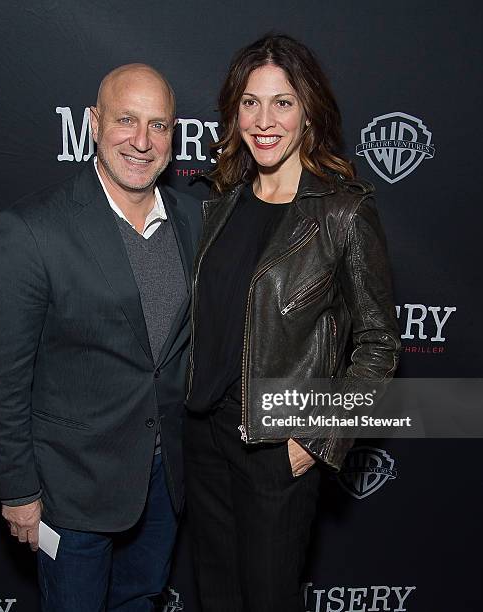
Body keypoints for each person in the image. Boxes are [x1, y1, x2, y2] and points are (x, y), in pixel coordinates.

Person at [184, 34, 401, 612]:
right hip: (204, 436)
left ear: (308, 112)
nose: (264, 119)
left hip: (277, 443)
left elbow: (378, 345)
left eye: (282, 102)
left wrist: (316, 438)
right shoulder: (221, 201)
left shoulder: (343, 211)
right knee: (216, 599)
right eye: (250, 102)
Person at [0, 63, 201, 612]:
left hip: (164, 477)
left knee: (142, 600)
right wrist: (19, 493)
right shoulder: (32, 229)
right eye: (126, 120)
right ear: (94, 123)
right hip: (67, 491)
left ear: (176, 132)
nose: (142, 142)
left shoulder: (197, 219)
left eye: (159, 125)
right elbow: (1, 375)